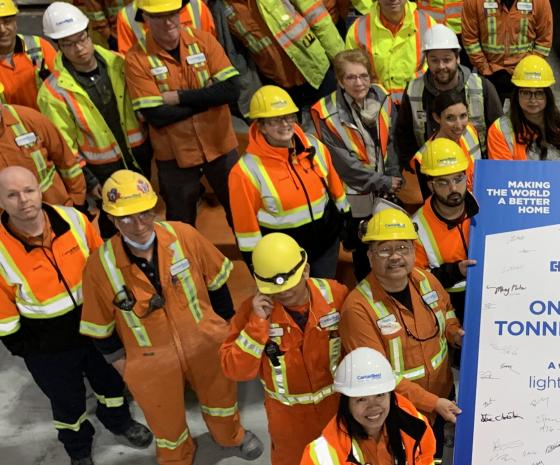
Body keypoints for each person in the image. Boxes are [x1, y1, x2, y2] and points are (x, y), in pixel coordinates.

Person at [79, 169, 264, 465]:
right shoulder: (100, 266)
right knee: (164, 419)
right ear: (111, 219)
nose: (138, 225)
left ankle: (231, 436)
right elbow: (100, 327)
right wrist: (123, 364)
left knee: (222, 400)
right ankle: (176, 456)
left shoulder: (184, 236)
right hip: (148, 360)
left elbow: (217, 284)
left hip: (205, 342)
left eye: (144, 214)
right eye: (125, 218)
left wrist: (226, 329)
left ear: (154, 210)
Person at [0, 166, 151, 465]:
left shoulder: (74, 220)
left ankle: (119, 421)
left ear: (40, 188)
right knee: (66, 402)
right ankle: (78, 449)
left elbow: (104, 266)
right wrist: (24, 346)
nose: (24, 200)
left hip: (95, 327)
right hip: (46, 345)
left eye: (29, 190)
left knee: (110, 383)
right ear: (1, 201)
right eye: (12, 195)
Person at [220, 233, 349, 465]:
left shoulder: (336, 295)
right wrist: (257, 325)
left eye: (292, 284)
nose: (285, 293)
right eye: (275, 288)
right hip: (288, 421)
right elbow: (234, 370)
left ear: (306, 270)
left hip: (337, 410)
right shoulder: (252, 312)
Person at [339, 208, 463, 447]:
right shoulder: (357, 309)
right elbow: (375, 377)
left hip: (443, 396)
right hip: (398, 411)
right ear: (370, 255)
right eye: (384, 250)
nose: (395, 257)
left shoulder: (425, 279)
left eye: (403, 248)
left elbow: (446, 310)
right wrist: (431, 402)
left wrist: (454, 333)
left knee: (435, 455)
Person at [38, 2, 151, 237]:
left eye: (81, 39)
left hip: (138, 154)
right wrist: (89, 182)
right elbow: (64, 147)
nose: (78, 48)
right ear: (58, 46)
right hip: (102, 168)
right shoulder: (54, 92)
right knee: (114, 221)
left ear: (89, 34)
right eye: (68, 44)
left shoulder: (119, 63)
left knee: (142, 210)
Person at [124, 0, 240, 225]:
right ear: (145, 18)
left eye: (173, 13)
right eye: (159, 16)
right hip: (174, 155)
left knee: (241, 213)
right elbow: (156, 116)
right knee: (180, 222)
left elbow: (232, 90)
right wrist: (208, 98)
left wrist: (179, 97)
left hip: (220, 145)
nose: (168, 22)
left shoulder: (203, 40)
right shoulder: (136, 58)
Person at [229, 85, 351, 279]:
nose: (286, 124)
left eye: (289, 117)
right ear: (260, 126)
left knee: (324, 296)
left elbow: (336, 188)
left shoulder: (315, 146)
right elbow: (246, 232)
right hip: (285, 257)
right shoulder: (245, 172)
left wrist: (345, 223)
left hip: (326, 246)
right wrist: (258, 268)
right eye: (276, 120)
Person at [311, 49, 401, 280]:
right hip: (355, 196)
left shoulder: (382, 96)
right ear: (340, 81)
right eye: (351, 78)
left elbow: (391, 140)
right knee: (363, 252)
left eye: (363, 76)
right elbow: (345, 166)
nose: (359, 83)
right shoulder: (325, 112)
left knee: (388, 242)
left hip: (384, 190)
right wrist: (385, 181)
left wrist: (392, 175)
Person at [299, 348, 436, 465]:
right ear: (347, 404)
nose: (373, 407)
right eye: (361, 399)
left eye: (380, 395)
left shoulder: (417, 427)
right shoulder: (321, 456)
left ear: (390, 395)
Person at [412, 138, 477, 371]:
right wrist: (455, 271)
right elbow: (417, 283)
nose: (453, 189)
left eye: (458, 179)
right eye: (443, 182)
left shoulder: (486, 206)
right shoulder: (417, 226)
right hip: (449, 310)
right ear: (430, 184)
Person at [397, 24, 502, 166]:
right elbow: (404, 137)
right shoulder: (413, 90)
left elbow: (498, 134)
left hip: (475, 170)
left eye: (447, 59)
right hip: (430, 172)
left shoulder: (482, 87)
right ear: (427, 60)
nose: (441, 66)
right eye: (434, 60)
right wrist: (413, 170)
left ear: (457, 58)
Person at [221, 0, 343, 109]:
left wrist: (342, 62)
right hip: (279, 84)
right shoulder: (221, 7)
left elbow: (318, 19)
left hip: (317, 69)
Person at [490, 55, 560, 161]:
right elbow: (503, 175)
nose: (532, 100)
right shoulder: (500, 130)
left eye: (539, 93)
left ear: (547, 95)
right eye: (526, 92)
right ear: (517, 95)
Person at [0, 85, 87, 208]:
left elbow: (66, 160)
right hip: (10, 223)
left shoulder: (29, 119)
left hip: (57, 210)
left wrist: (77, 200)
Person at [345, 0, 436, 104]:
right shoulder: (358, 29)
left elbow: (436, 66)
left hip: (418, 101)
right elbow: (351, 72)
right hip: (376, 105)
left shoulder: (427, 23)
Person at [460, 0, 552, 100]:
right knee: (490, 114)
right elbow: (470, 38)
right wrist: (484, 67)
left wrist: (531, 70)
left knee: (525, 115)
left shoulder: (540, 2)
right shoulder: (474, 2)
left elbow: (544, 40)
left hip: (525, 76)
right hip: (489, 74)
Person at [0, 0, 57, 108]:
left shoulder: (39, 46)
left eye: (7, 21)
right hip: (10, 124)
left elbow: (63, 87)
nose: (2, 30)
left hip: (48, 121)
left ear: (15, 22)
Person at [113, 0, 215, 53]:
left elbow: (213, 50)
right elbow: (128, 63)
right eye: (157, 17)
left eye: (172, 13)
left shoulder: (196, 6)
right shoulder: (127, 17)